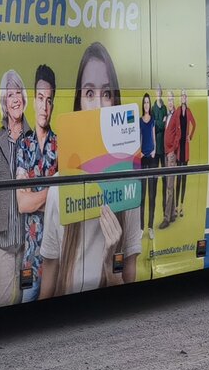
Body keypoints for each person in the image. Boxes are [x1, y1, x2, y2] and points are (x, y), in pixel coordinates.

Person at [38, 43, 142, 297]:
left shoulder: (128, 189)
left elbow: (132, 297)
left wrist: (110, 264)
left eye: (106, 94)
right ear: (79, 103)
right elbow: (46, 289)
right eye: (89, 93)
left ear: (116, 101)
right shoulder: (57, 188)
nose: (98, 105)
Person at [0, 69, 30, 307]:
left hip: (27, 240)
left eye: (18, 93)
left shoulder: (34, 137)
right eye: (10, 94)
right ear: (4, 101)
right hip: (2, 241)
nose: (15, 98)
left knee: (27, 301)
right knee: (3, 303)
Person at [15, 64, 58, 303]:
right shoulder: (24, 145)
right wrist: (52, 193)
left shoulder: (62, 145)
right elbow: (22, 203)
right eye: (40, 98)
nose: (44, 106)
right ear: (33, 100)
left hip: (56, 262)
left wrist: (37, 197)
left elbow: (66, 204)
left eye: (49, 100)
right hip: (31, 261)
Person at [139, 93, 159, 241]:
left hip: (151, 158)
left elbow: (153, 137)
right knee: (142, 195)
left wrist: (154, 151)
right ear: (143, 105)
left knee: (152, 194)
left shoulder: (152, 120)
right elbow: (139, 137)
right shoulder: (140, 121)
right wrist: (139, 151)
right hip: (142, 158)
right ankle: (141, 228)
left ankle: (150, 227)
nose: (146, 105)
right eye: (144, 103)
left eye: (148, 102)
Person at [174, 89, 197, 218]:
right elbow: (173, 125)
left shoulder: (188, 111)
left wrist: (190, 136)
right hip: (179, 147)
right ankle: (176, 207)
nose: (183, 97)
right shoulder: (178, 111)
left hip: (185, 147)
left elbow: (194, 124)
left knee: (184, 179)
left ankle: (182, 206)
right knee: (178, 178)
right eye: (181, 95)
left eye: (184, 95)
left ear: (186, 98)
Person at [161, 90, 179, 227]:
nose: (170, 102)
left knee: (169, 187)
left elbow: (178, 135)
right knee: (170, 185)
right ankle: (172, 214)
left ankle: (167, 218)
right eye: (168, 100)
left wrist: (172, 150)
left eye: (172, 100)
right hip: (167, 153)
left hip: (171, 155)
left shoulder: (176, 116)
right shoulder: (167, 117)